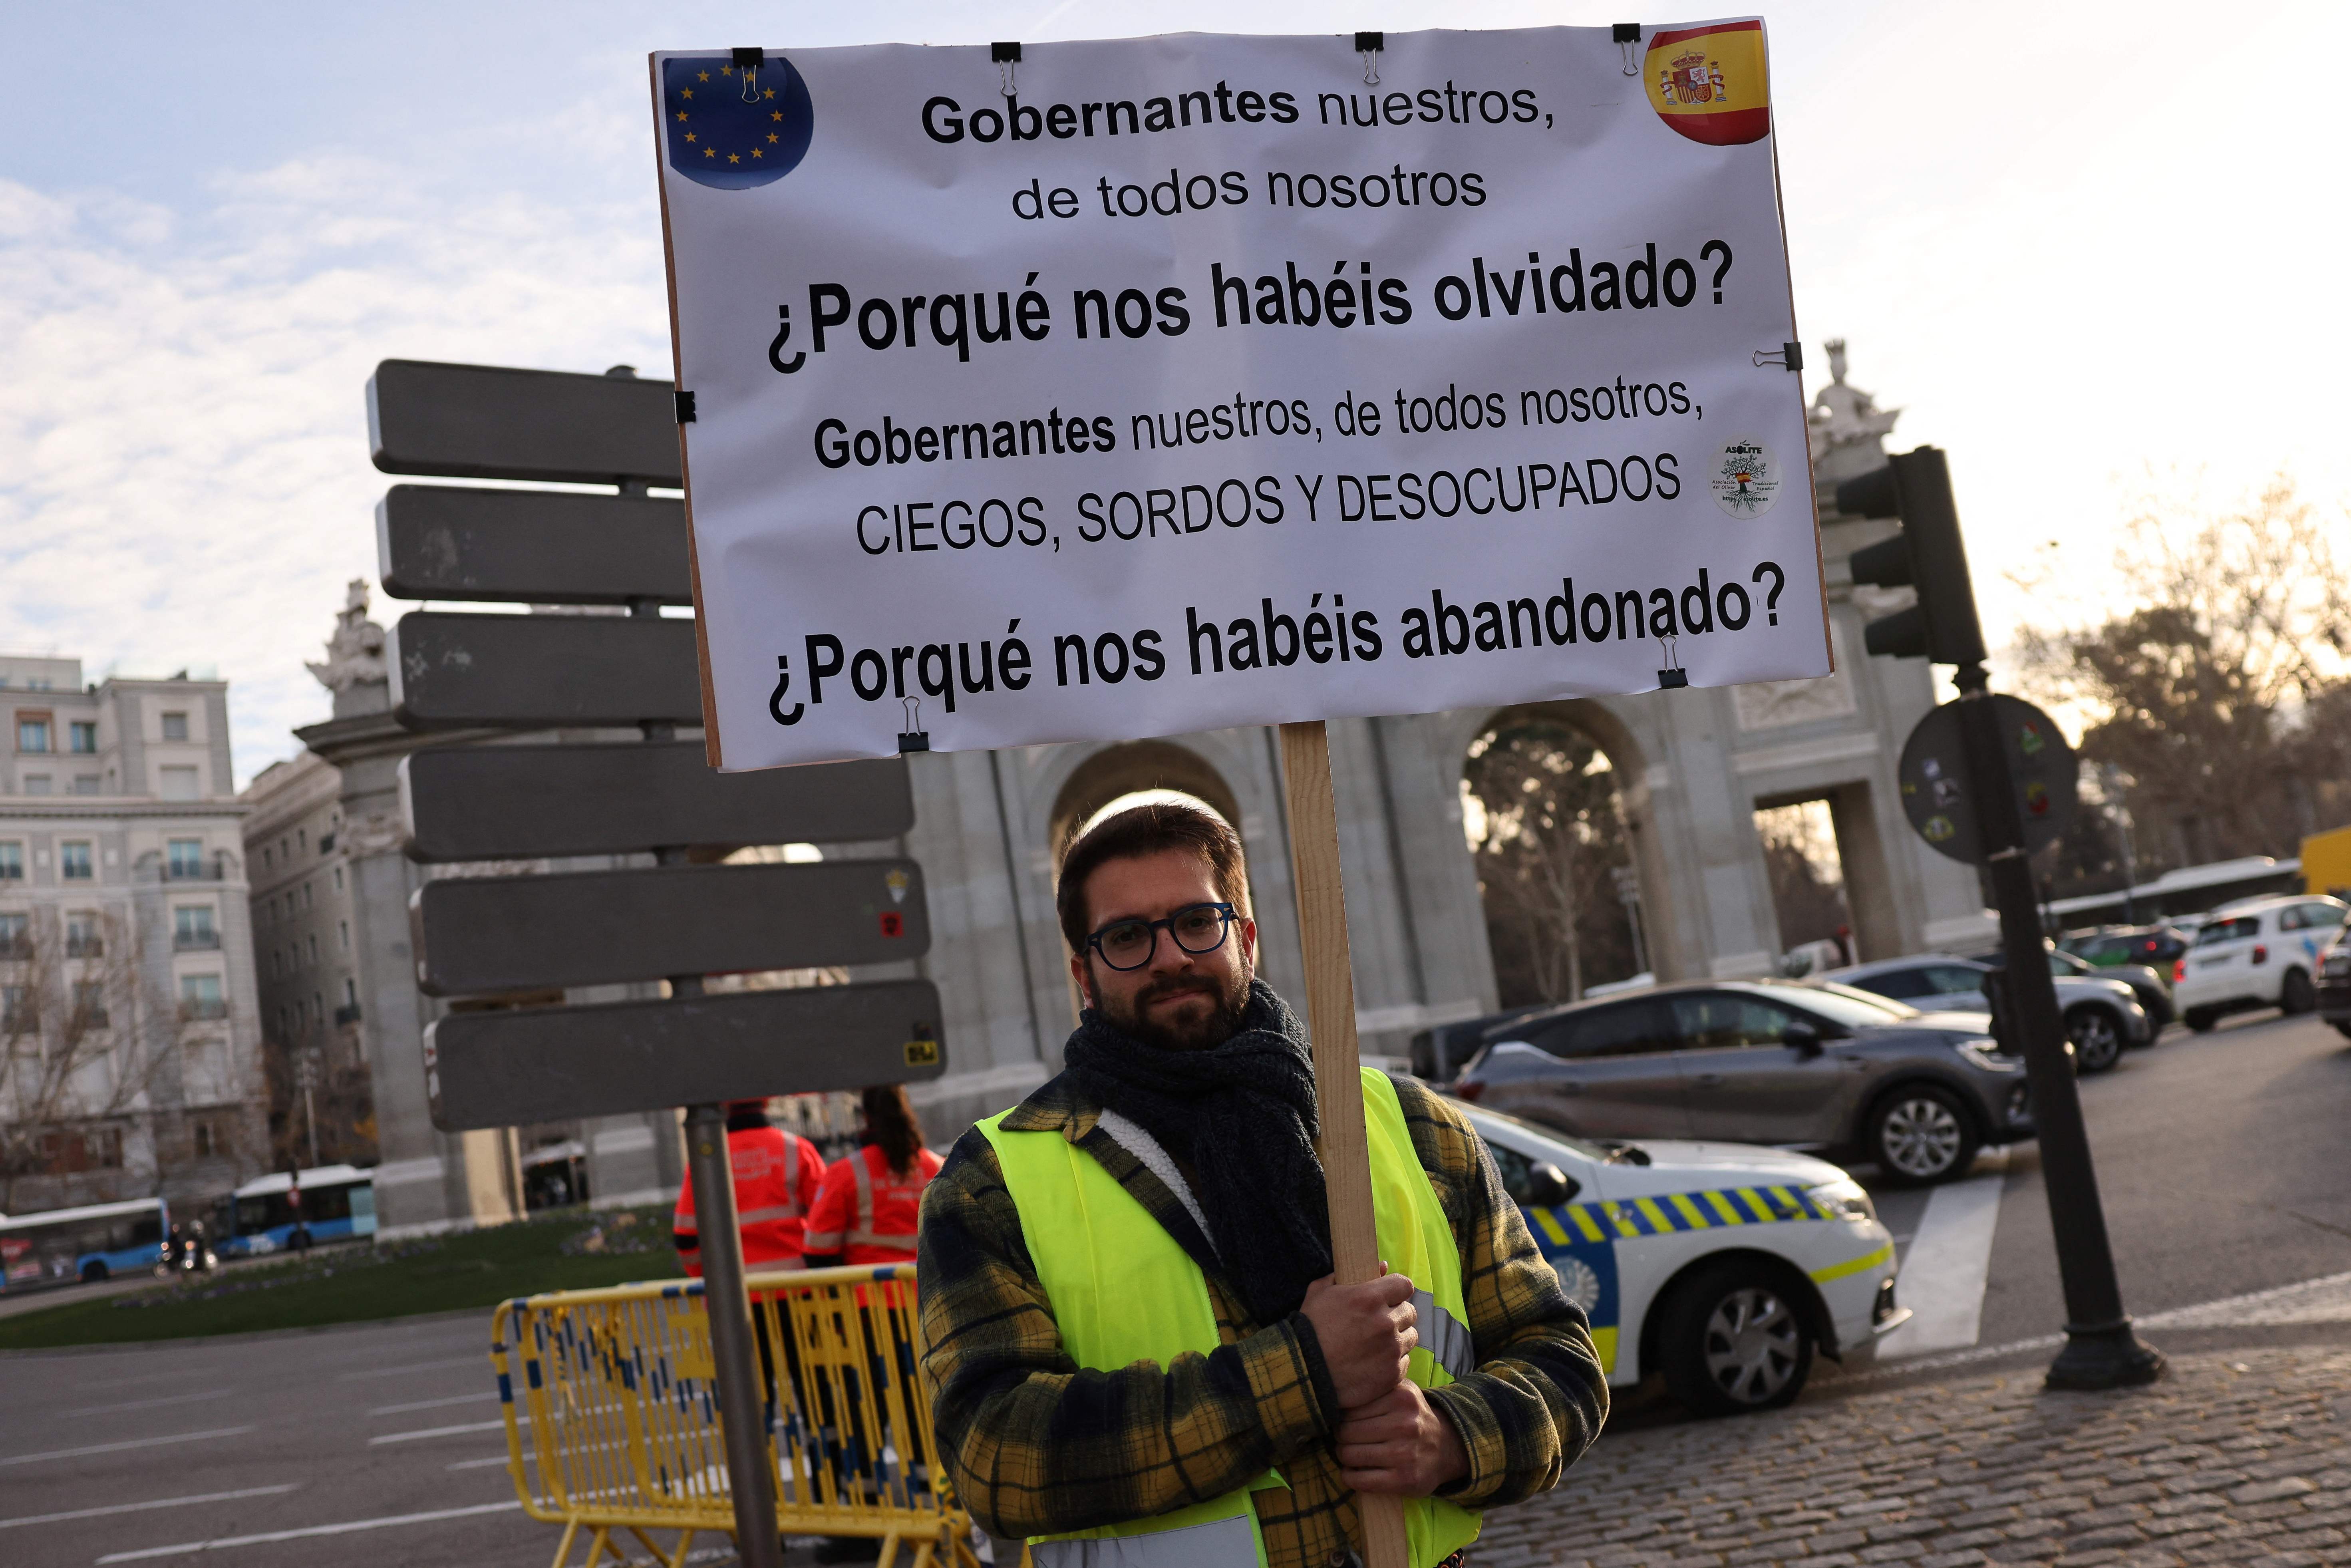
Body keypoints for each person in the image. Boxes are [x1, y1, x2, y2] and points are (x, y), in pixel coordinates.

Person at [918, 803, 1607, 1568]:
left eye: (1197, 921)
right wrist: (1302, 1372)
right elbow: (993, 1455)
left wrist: (1454, 1439)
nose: (1170, 956)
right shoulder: (995, 1182)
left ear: (1247, 937)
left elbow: (1562, 1361)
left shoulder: (1412, 1125)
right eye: (1126, 937)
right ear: (1084, 974)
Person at [673, 1097, 827, 1278]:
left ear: (724, 1104)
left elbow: (685, 1238)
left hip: (737, 1294)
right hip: (799, 1287)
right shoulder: (797, 1149)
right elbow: (827, 1219)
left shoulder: (705, 1161)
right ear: (766, 1102)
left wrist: (712, 1280)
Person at [801, 1085, 942, 1269]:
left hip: (870, 1295)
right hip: (933, 1294)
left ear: (866, 1116)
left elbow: (817, 1252)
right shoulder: (941, 1168)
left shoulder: (845, 1173)